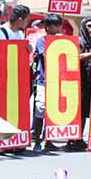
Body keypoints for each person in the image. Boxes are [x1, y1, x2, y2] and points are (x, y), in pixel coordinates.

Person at [0, 4, 30, 110]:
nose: (28, 23)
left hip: (10, 78)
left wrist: (27, 50)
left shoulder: (20, 34)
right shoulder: (0, 34)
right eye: (27, 20)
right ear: (20, 20)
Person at [31, 15, 64, 151]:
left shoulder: (62, 41)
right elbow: (47, 56)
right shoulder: (41, 41)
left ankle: (48, 140)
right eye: (53, 25)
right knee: (41, 110)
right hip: (44, 80)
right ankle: (37, 139)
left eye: (58, 25)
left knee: (53, 112)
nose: (56, 28)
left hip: (58, 80)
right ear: (47, 27)